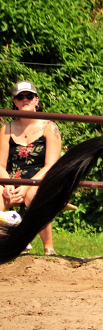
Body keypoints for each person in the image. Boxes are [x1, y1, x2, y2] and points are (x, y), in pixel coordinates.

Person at [0, 81, 62, 255]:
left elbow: (52, 165)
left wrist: (28, 185)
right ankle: (14, 240)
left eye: (29, 96)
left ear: (37, 100)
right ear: (15, 102)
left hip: (40, 180)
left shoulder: (50, 127)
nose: (25, 99)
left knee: (35, 197)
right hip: (12, 179)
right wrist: (7, 183)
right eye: (20, 97)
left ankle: (49, 248)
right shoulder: (7, 128)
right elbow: (0, 164)